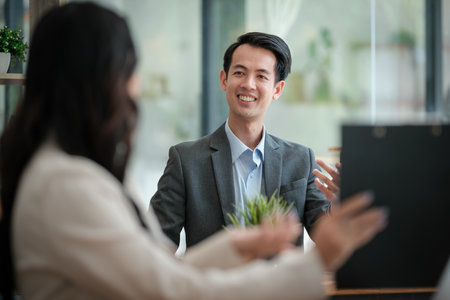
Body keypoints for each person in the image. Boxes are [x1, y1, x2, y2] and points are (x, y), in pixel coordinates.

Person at [0, 2, 387, 299]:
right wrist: (314, 265)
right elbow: (168, 284)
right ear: (95, 80)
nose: (135, 87)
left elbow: (152, 271)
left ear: (277, 88)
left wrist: (240, 244)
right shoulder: (66, 185)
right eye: (129, 68)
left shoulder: (71, 173)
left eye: (261, 76)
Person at [151, 31, 341, 248]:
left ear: (277, 89)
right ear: (224, 80)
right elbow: (156, 243)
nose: (249, 84)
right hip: (213, 281)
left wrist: (337, 207)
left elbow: (323, 234)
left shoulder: (300, 160)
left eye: (261, 76)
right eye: (240, 73)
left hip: (280, 281)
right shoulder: (186, 160)